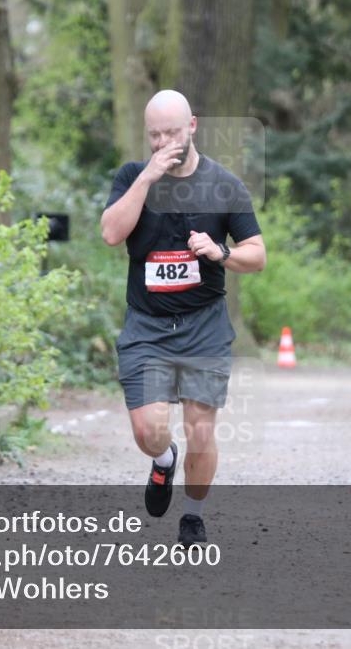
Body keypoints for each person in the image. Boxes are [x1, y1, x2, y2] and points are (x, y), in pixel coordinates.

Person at [100, 90, 267, 546]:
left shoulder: (225, 184)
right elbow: (112, 233)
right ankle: (162, 460)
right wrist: (147, 179)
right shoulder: (133, 177)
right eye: (154, 135)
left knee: (200, 430)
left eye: (171, 132)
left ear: (192, 126)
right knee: (148, 430)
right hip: (147, 326)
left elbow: (257, 255)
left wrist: (221, 252)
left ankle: (192, 515)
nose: (163, 142)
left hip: (203, 326)